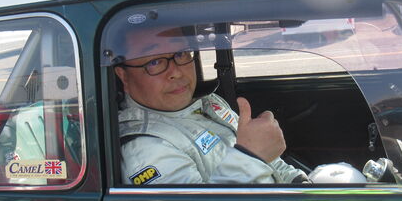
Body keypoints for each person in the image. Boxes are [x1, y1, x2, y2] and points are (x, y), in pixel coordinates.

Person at [114, 25, 309, 185]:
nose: (177, 72)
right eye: (155, 62)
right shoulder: (147, 148)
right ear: (124, 76)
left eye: (181, 53)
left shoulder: (209, 103)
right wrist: (250, 157)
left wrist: (299, 183)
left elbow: (274, 164)